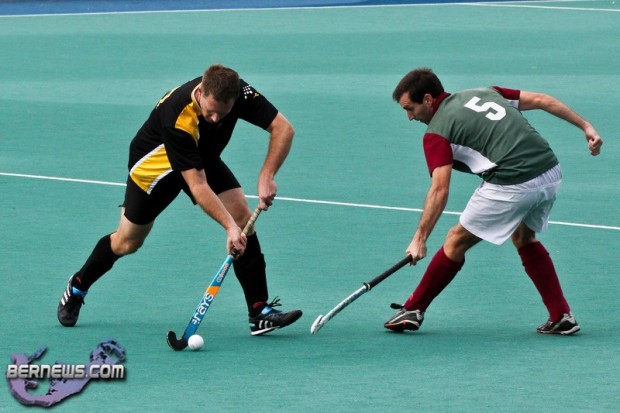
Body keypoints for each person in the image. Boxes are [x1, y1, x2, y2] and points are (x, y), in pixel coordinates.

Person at [57, 64, 302, 336]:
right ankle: (78, 285)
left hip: (201, 157)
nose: (214, 119)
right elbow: (198, 186)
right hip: (155, 168)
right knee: (127, 242)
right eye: (209, 111)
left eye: (222, 113)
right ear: (201, 91)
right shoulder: (177, 115)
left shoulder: (239, 92)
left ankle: (259, 312)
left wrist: (267, 175)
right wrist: (229, 228)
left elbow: (283, 128)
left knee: (244, 218)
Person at [384, 67, 603, 335]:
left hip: (514, 182)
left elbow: (439, 190)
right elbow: (542, 100)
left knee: (455, 241)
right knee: (523, 237)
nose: (409, 117)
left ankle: (413, 308)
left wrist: (420, 238)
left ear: (428, 99)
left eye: (411, 108)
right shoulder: (486, 92)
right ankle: (561, 316)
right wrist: (586, 127)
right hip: (549, 170)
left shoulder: (436, 133)